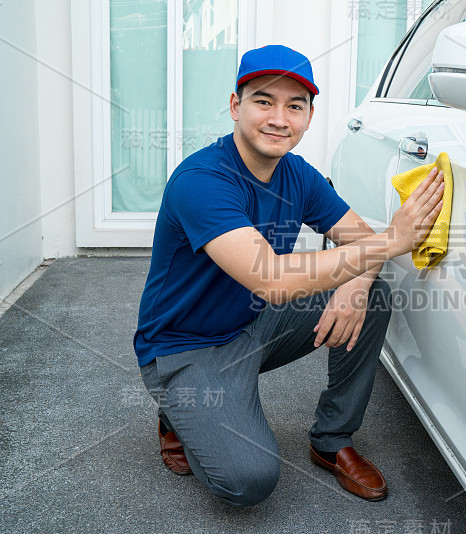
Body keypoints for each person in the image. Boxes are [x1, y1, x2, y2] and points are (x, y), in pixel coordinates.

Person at [133, 45, 444, 506]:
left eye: (294, 105)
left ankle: (332, 440)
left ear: (308, 116)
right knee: (249, 480)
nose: (279, 118)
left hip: (254, 324)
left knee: (372, 291)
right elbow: (272, 279)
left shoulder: (297, 174)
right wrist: (392, 241)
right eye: (264, 101)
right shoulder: (201, 180)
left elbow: (360, 239)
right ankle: (180, 413)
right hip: (187, 349)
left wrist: (356, 286)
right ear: (236, 106)